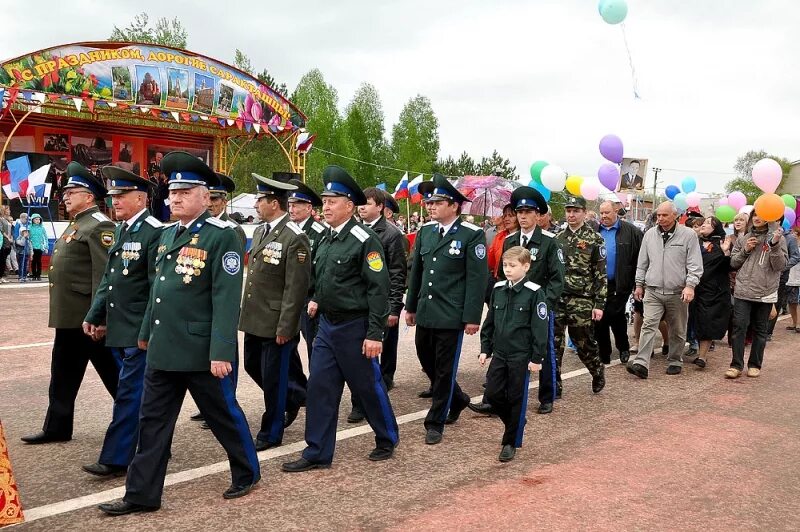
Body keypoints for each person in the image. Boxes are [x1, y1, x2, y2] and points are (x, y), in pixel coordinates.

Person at [98, 152, 258, 516]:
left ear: (205, 196)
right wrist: (144, 331)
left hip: (200, 351)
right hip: (163, 347)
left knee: (223, 416)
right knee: (152, 422)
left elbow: (225, 297)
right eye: (172, 193)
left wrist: (222, 351)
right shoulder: (168, 234)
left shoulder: (222, 237)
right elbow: (158, 288)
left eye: (185, 192)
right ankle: (140, 494)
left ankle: (247, 471)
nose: (176, 199)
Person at [281, 166, 399, 472]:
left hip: (355, 328)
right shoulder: (325, 239)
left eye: (333, 201)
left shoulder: (364, 240)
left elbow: (378, 289)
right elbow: (325, 277)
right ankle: (317, 451)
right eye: (324, 200)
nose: (327, 206)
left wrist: (375, 334)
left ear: (349, 205)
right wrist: (316, 299)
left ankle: (387, 436)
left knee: (367, 387)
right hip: (327, 326)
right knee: (320, 387)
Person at [21, 163, 119, 444]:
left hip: (89, 319)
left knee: (116, 380)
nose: (65, 196)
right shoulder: (77, 225)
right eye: (65, 192)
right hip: (69, 318)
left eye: (73, 191)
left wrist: (101, 318)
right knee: (62, 375)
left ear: (89, 197)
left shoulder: (100, 226)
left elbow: (104, 275)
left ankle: (141, 430)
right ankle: (57, 428)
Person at [81, 167, 161, 477]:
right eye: (113, 196)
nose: (115, 201)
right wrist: (95, 314)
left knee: (132, 393)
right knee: (139, 394)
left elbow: (157, 287)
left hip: (141, 329)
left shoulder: (154, 231)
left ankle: (116, 457)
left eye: (122, 196)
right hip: (123, 326)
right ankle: (147, 451)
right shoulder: (121, 229)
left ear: (141, 198)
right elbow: (110, 279)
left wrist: (146, 330)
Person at [404, 173, 487, 445]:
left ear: (454, 205)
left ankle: (435, 421)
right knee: (425, 359)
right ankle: (460, 398)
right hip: (426, 310)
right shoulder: (426, 232)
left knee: (444, 368)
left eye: (437, 202)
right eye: (429, 202)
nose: (430, 206)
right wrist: (411, 305)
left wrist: (472, 317)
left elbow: (476, 280)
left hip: (451, 314)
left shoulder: (471, 235)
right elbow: (417, 272)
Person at [474, 186, 563, 415]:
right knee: (505, 349)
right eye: (519, 211)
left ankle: (546, 396)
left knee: (542, 351)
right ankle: (496, 398)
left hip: (537, 307)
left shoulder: (549, 242)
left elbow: (556, 279)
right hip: (512, 307)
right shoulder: (510, 240)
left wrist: (544, 304)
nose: (522, 216)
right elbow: (504, 275)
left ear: (538, 215)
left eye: (527, 211)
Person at [240, 173, 310, 451]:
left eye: (260, 199)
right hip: (256, 317)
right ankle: (293, 397)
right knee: (251, 366)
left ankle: (271, 431)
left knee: (274, 378)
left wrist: (286, 327)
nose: (256, 204)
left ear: (274, 203)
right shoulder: (260, 231)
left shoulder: (295, 238)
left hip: (276, 320)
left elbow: (296, 288)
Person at [478, 246, 547, 462]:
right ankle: (514, 422)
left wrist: (537, 358)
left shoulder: (535, 293)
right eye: (505, 265)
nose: (507, 270)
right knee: (493, 392)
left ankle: (509, 442)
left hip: (520, 354)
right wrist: (484, 348)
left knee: (516, 397)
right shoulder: (498, 289)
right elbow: (489, 323)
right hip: (500, 352)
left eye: (513, 266)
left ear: (526, 267)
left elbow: (539, 328)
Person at [348, 187, 407, 422]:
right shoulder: (354, 230)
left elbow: (396, 274)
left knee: (376, 354)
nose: (362, 207)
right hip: (357, 304)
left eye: (367, 203)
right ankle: (359, 402)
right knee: (357, 357)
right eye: (360, 203)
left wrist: (394, 308)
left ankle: (377, 392)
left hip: (379, 305)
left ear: (381, 207)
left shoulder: (391, 235)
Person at [627, 201, 703, 379]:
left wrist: (690, 285)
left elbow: (695, 264)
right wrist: (639, 284)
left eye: (664, 215)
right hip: (653, 290)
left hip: (677, 291)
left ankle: (675, 360)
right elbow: (642, 262)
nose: (660, 218)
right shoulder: (650, 235)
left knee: (677, 328)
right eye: (658, 215)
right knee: (648, 325)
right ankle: (641, 363)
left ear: (675, 215)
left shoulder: (688, 235)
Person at [553, 196, 607, 396]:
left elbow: (600, 274)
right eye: (568, 210)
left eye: (575, 210)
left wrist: (599, 303)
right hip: (558, 298)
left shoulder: (594, 239)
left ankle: (596, 369)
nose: (571, 214)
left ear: (584, 212)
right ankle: (554, 383)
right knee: (554, 344)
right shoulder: (557, 238)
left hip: (582, 299)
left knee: (583, 341)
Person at [726, 212, 788, 379]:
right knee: (739, 327)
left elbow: (780, 266)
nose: (757, 218)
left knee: (760, 329)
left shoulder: (778, 238)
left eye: (761, 215)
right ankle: (736, 365)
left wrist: (774, 245)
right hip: (743, 291)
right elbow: (733, 263)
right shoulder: (743, 237)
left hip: (765, 291)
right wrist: (745, 250)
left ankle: (755, 364)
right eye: (754, 214)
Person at [595, 200, 643, 364]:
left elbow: (640, 258)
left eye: (607, 212)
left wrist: (638, 282)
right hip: (599, 284)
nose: (604, 216)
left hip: (620, 282)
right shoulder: (594, 231)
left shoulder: (631, 231)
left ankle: (623, 347)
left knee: (615, 315)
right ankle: (604, 352)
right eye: (601, 213)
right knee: (599, 318)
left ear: (616, 211)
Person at [287, 177, 326, 363]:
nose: (291, 209)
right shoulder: (288, 230)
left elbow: (323, 269)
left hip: (310, 299)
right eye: (290, 205)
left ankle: (317, 387)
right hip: (291, 298)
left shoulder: (319, 232)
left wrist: (317, 298)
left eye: (296, 205)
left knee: (314, 346)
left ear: (309, 208)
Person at [689, 216, 732, 369]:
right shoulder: (694, 241)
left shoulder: (722, 243)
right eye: (704, 222)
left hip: (713, 291)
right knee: (691, 320)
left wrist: (725, 253)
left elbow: (729, 268)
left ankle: (702, 356)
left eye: (708, 223)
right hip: (693, 287)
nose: (703, 225)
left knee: (706, 321)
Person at [766, 222, 800, 339]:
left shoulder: (789, 238)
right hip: (765, 274)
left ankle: (768, 332)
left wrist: (782, 267)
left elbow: (795, 256)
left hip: (783, 276)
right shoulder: (764, 233)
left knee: (777, 301)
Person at [485, 204, 519, 302]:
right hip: (500, 281)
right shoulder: (499, 237)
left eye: (511, 216)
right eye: (504, 216)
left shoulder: (523, 236)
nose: (506, 219)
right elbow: (490, 261)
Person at [209, 173, 247, 249]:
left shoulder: (234, 229)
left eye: (214, 199)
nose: (209, 204)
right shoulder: (199, 225)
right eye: (206, 199)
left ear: (224, 202)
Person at [785, 226, 800, 331]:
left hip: (798, 279)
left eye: (795, 233)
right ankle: (794, 323)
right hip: (789, 278)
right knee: (791, 302)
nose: (793, 235)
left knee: (798, 302)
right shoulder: (789, 246)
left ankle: (799, 324)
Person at [28, 214, 48, 281]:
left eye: (39, 219)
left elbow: (45, 237)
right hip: (32, 248)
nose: (38, 221)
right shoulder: (29, 227)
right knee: (33, 262)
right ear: (32, 220)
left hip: (40, 247)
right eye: (36, 219)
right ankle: (34, 275)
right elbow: (28, 238)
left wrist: (46, 247)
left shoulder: (42, 228)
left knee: (39, 261)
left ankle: (38, 275)